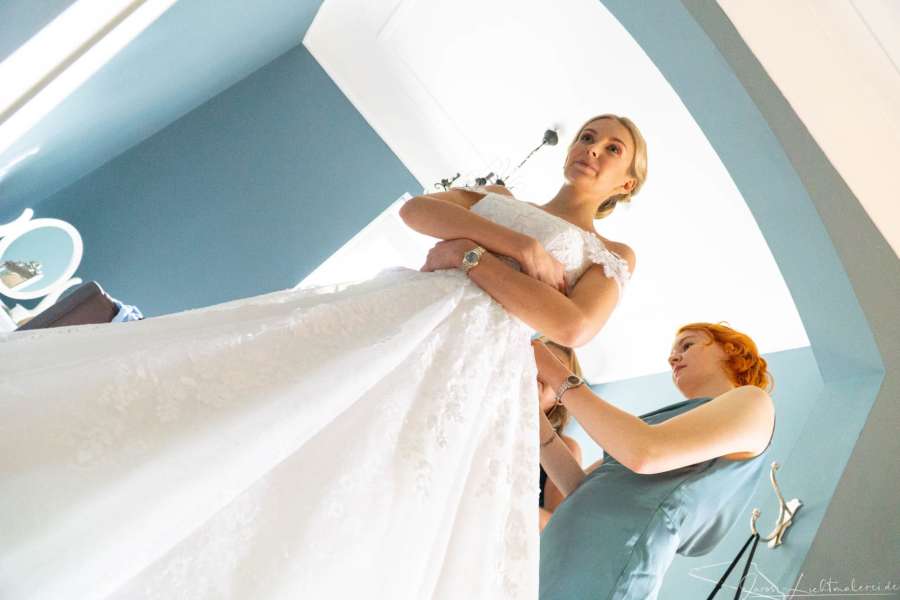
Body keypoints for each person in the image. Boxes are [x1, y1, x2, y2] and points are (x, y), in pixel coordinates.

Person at [0, 113, 647, 599]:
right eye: (588, 136)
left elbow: (571, 324)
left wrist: (470, 255)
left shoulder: (612, 254)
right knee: (274, 396)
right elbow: (419, 211)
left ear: (628, 180)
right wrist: (514, 245)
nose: (591, 149)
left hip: (475, 366)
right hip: (403, 314)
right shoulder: (498, 199)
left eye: (611, 147)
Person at [534, 322, 777, 600]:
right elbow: (580, 489)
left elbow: (644, 453)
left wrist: (552, 369)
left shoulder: (754, 404)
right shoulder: (667, 426)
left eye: (688, 345)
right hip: (558, 561)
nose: (673, 358)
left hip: (606, 567)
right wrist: (533, 413)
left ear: (732, 350)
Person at [534, 335, 584, 532]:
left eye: (554, 367)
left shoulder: (566, 448)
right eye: (536, 360)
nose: (539, 370)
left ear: (561, 398)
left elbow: (555, 526)